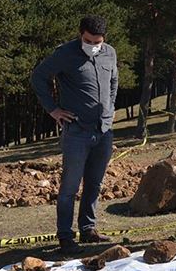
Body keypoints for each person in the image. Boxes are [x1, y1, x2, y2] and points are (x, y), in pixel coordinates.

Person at [31, 15, 118, 255]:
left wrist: (109, 112)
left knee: (95, 183)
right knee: (70, 186)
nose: (94, 45)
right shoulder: (64, 53)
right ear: (81, 34)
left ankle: (88, 229)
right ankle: (65, 236)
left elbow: (113, 82)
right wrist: (52, 109)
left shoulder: (109, 52)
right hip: (77, 132)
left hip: (103, 131)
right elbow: (38, 77)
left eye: (98, 41)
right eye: (89, 40)